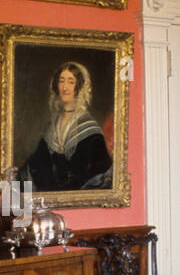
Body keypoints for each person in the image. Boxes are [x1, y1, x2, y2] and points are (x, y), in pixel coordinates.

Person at [19, 62, 111, 191]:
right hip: (52, 195)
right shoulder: (54, 125)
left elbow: (100, 168)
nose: (65, 87)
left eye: (71, 82)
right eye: (61, 81)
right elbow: (37, 162)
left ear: (80, 87)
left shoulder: (89, 127)